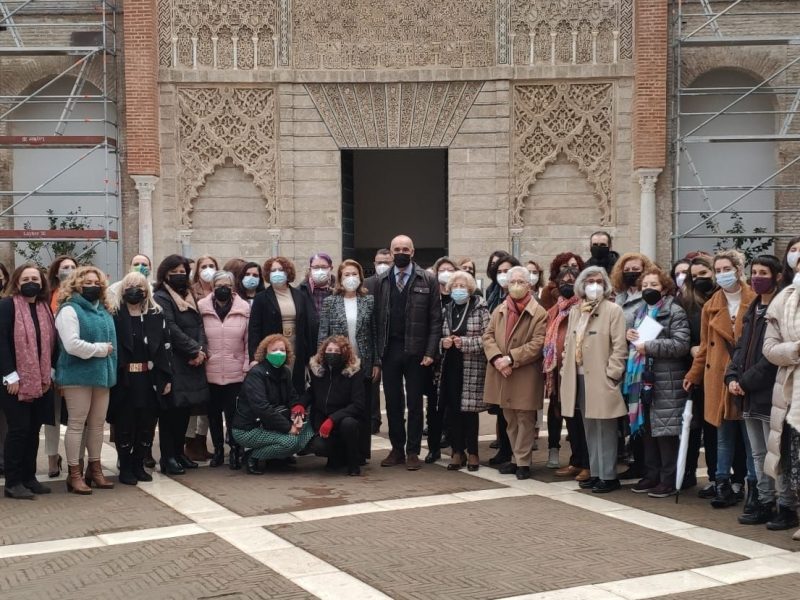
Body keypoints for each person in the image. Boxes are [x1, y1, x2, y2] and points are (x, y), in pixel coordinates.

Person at [683, 249, 756, 509]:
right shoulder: (711, 306)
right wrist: (694, 374)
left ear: (738, 270)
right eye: (719, 270)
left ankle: (753, 487)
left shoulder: (754, 300)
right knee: (723, 436)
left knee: (750, 438)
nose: (723, 274)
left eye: (727, 269)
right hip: (718, 377)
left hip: (747, 377)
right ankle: (722, 484)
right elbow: (705, 346)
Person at [725, 255, 793, 528]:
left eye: (763, 273)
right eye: (754, 272)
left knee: (778, 453)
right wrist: (731, 376)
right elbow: (741, 346)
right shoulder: (753, 308)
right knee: (758, 453)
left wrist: (746, 381)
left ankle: (786, 505)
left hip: (770, 392)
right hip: (748, 394)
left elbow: (772, 356)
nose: (757, 278)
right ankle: (764, 501)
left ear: (777, 276)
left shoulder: (780, 307)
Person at [374, 234, 442, 471]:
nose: (401, 253)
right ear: (391, 252)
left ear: (413, 252)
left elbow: (435, 319)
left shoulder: (428, 279)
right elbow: (376, 319)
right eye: (397, 249)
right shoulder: (381, 281)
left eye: (405, 249)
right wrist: (378, 354)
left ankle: (413, 451)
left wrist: (430, 351)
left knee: (414, 403)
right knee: (393, 402)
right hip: (390, 349)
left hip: (417, 351)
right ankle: (396, 449)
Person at [624, 267, 691, 498]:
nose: (648, 289)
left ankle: (667, 479)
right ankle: (651, 474)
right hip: (642, 377)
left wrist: (650, 347)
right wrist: (630, 336)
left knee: (665, 432)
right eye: (644, 285)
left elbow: (681, 345)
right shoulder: (640, 311)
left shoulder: (674, 311)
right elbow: (635, 342)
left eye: (653, 285)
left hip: (666, 378)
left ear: (664, 288)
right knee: (648, 430)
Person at [560, 266, 628, 493]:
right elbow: (569, 343)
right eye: (590, 281)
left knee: (605, 427)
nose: (594, 285)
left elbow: (619, 346)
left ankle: (608, 475)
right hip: (578, 376)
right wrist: (565, 368)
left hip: (602, 377)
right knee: (589, 426)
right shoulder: (576, 311)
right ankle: (596, 471)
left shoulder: (613, 310)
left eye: (599, 281)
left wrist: (613, 374)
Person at [54, 265, 117, 494]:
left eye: (96, 283)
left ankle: (95, 470)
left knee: (98, 425)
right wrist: (100, 349)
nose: (93, 286)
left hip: (103, 375)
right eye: (87, 283)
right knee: (76, 424)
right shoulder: (69, 309)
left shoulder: (104, 309)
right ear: (76, 285)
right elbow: (71, 344)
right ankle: (74, 474)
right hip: (77, 375)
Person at [483, 266, 547, 480]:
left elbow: (538, 343)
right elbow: (488, 335)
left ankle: (523, 462)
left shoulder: (539, 312)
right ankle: (515, 458)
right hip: (502, 371)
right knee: (509, 418)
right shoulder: (500, 309)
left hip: (524, 372)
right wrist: (497, 359)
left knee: (525, 419)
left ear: (529, 285)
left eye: (521, 282)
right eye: (513, 282)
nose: (517, 286)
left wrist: (511, 358)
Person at [109, 271, 172, 485]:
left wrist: (166, 378)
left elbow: (165, 349)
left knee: (147, 424)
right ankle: (125, 466)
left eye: (139, 286)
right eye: (129, 286)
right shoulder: (115, 315)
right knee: (125, 424)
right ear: (122, 290)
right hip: (125, 379)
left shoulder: (156, 314)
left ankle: (139, 463)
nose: (134, 290)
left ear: (146, 291)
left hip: (149, 378)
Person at [0, 264, 57, 499]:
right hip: (14, 382)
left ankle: (29, 477)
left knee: (34, 430)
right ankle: (13, 482)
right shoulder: (7, 305)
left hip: (41, 381)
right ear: (17, 282)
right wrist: (10, 374)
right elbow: (1, 341)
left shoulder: (44, 307)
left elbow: (52, 342)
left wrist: (49, 372)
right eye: (25, 279)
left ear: (42, 282)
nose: (31, 282)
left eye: (35, 278)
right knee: (19, 430)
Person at [153, 254, 210, 475]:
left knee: (185, 410)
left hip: (192, 361)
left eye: (182, 271)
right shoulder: (161, 296)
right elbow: (170, 327)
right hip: (174, 360)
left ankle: (179, 453)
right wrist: (193, 349)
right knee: (170, 413)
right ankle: (168, 457)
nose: (179, 275)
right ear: (165, 274)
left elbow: (200, 325)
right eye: (174, 272)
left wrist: (201, 350)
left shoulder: (188, 294)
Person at [318, 259, 377, 459]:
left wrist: (376, 362)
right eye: (346, 275)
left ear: (360, 277)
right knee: (342, 407)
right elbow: (323, 333)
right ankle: (340, 453)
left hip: (363, 362)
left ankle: (361, 453)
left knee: (362, 408)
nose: (351, 278)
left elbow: (374, 333)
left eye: (354, 274)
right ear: (340, 278)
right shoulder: (330, 302)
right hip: (338, 363)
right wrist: (321, 360)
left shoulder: (369, 301)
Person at [231, 334, 314, 474]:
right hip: (249, 428)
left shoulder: (285, 372)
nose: (279, 353)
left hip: (273, 424)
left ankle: (281, 454)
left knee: (310, 426)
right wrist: (289, 428)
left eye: (282, 350)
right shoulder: (256, 374)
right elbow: (262, 408)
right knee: (291, 442)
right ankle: (253, 456)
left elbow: (292, 398)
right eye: (274, 350)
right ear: (265, 353)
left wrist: (297, 414)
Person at [679, 254, 726, 496]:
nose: (699, 279)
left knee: (723, 429)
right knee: (705, 427)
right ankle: (713, 475)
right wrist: (691, 348)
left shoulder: (724, 298)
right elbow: (682, 332)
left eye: (703, 274)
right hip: (699, 370)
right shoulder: (687, 302)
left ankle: (727, 478)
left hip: (723, 369)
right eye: (694, 276)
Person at [763, 254, 800, 538]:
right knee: (795, 459)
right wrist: (794, 350)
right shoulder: (782, 301)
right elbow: (769, 348)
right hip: (792, 391)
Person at [199, 270, 251, 470]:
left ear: (233, 287)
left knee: (233, 415)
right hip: (210, 370)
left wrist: (246, 365)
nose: (223, 289)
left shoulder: (243, 308)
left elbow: (248, 341)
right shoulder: (202, 307)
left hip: (235, 370)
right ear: (212, 287)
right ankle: (218, 450)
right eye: (219, 285)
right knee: (213, 414)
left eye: (227, 286)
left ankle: (236, 449)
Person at [610, 251, 655, 480]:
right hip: (622, 363)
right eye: (626, 270)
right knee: (629, 413)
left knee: (642, 414)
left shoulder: (648, 297)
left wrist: (632, 335)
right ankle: (634, 459)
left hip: (641, 362)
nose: (631, 274)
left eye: (636, 270)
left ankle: (645, 464)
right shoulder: (618, 297)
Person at [440, 271, 489, 471]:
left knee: (469, 411)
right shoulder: (446, 309)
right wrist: (443, 342)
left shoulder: (480, 309)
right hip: (450, 364)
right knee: (453, 410)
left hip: (471, 364)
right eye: (455, 286)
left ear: (469, 289)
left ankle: (473, 452)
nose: (458, 289)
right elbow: (437, 334)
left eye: (462, 286)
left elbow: (488, 338)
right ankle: (457, 451)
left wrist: (465, 343)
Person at [545, 266, 590, 479]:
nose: (566, 285)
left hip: (578, 371)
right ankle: (576, 460)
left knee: (582, 419)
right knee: (569, 418)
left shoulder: (582, 307)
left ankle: (588, 463)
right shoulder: (555, 310)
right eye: (563, 281)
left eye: (571, 281)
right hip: (559, 373)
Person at [249, 256, 317, 395]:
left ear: (288, 272)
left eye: (281, 269)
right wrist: (254, 358)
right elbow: (254, 329)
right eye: (273, 270)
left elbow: (306, 326)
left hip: (296, 347)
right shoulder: (261, 298)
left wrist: (310, 356)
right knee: (275, 386)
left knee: (295, 384)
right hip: (273, 349)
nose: (277, 273)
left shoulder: (300, 295)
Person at [304, 336, 367, 475]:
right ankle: (336, 457)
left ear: (344, 353)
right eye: (329, 350)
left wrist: (332, 419)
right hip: (323, 420)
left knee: (349, 424)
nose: (332, 353)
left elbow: (358, 405)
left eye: (337, 351)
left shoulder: (354, 372)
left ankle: (353, 463)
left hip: (344, 419)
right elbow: (311, 393)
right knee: (318, 446)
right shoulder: (318, 371)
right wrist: (299, 405)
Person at [425, 256, 459, 463]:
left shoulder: (460, 297)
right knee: (434, 407)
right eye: (442, 270)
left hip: (456, 360)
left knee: (455, 407)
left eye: (450, 269)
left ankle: (457, 448)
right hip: (435, 362)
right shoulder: (431, 297)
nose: (446, 273)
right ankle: (433, 447)